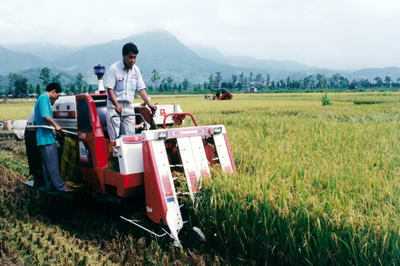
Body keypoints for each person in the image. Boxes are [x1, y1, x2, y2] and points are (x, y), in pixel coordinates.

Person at [105, 42, 157, 143]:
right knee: (115, 139)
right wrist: (116, 104)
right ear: (123, 56)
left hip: (128, 106)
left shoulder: (136, 70)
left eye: (135, 57)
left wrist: (149, 103)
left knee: (131, 136)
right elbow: (109, 89)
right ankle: (116, 157)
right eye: (130, 57)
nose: (133, 60)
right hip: (114, 106)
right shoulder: (114, 69)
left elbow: (141, 89)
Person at [34, 82, 73, 192]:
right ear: (53, 91)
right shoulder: (44, 99)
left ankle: (50, 185)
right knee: (53, 164)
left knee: (47, 165)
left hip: (42, 137)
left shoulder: (42, 98)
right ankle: (61, 187)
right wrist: (56, 125)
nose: (56, 98)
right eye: (57, 95)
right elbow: (45, 116)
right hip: (46, 137)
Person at [25, 97, 57, 187]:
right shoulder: (45, 104)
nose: (54, 102)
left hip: (31, 129)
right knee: (37, 155)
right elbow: (47, 119)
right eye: (54, 100)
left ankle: (39, 179)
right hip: (33, 130)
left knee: (35, 156)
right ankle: (39, 179)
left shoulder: (43, 103)